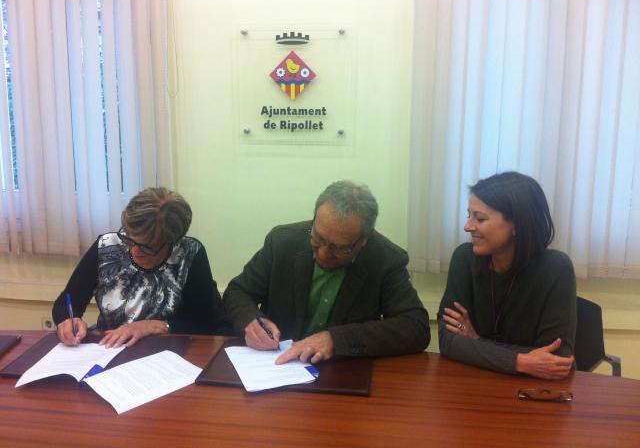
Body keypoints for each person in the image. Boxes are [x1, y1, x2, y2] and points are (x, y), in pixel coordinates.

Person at [223, 180, 430, 365]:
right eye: (318, 238)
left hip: (342, 371)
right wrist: (250, 320)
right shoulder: (282, 242)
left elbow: (415, 326)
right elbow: (238, 291)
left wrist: (336, 340)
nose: (323, 253)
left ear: (364, 240)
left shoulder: (386, 259)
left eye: (339, 248)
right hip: (277, 365)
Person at [438, 171, 576, 380]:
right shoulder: (464, 258)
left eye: (480, 218)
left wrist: (475, 341)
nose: (468, 226)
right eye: (469, 215)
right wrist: (520, 361)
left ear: (517, 224)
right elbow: (448, 340)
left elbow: (555, 359)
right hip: (477, 382)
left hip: (534, 390)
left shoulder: (556, 268)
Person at [52, 187, 229, 347]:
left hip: (167, 352)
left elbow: (203, 322)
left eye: (147, 246)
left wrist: (154, 326)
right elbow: (65, 303)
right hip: (109, 349)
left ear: (172, 241)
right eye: (129, 238)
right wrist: (67, 320)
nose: (135, 250)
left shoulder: (189, 253)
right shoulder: (107, 247)